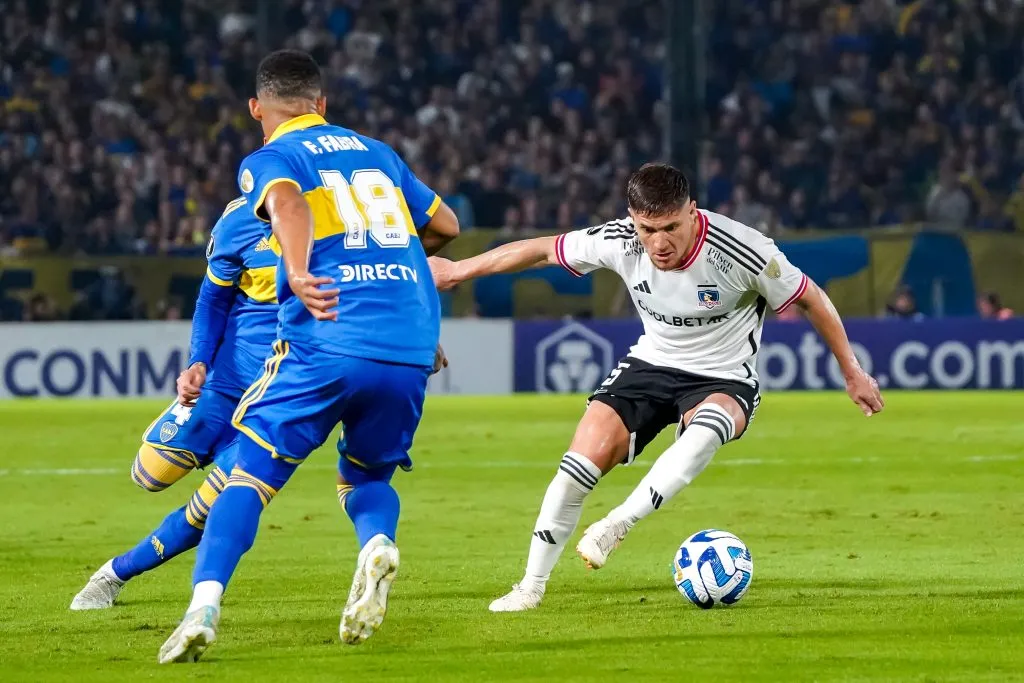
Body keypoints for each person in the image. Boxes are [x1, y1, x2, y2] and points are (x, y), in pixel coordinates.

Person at [429, 163, 884, 612]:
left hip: (724, 376)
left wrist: (852, 371)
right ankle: (530, 587)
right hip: (650, 364)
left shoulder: (742, 249)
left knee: (707, 428)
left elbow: (811, 297)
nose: (659, 243)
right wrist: (457, 272)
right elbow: (542, 250)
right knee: (575, 468)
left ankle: (619, 522)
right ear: (633, 219)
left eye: (670, 227)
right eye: (648, 229)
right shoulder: (620, 240)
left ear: (692, 212)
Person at [158, 50, 459, 663]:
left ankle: (202, 610)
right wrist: (385, 250)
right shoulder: (379, 152)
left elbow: (289, 205)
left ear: (255, 109)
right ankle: (376, 545)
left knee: (250, 476)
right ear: (323, 104)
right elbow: (446, 225)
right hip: (408, 346)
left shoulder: (269, 158)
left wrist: (297, 270)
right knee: (366, 477)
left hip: (325, 339)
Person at [70, 198, 279, 609]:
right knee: (149, 474)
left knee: (207, 509)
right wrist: (197, 362)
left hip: (274, 405)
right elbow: (211, 300)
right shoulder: (240, 220)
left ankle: (113, 575)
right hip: (223, 383)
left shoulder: (338, 226)